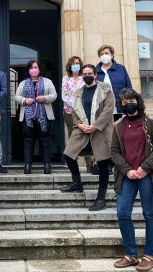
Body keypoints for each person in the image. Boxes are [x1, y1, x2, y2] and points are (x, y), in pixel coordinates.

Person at [112, 88, 153, 272]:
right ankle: (131, 254)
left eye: (131, 100)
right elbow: (114, 152)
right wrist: (127, 171)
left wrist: (144, 168)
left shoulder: (151, 122)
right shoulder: (118, 125)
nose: (128, 104)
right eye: (124, 102)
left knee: (149, 213)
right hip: (127, 176)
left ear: (138, 101)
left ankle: (150, 255)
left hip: (147, 175)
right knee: (122, 213)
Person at [61, 64, 114, 212]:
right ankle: (77, 183)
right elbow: (74, 112)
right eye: (85, 74)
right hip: (83, 128)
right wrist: (80, 125)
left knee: (103, 163)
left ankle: (101, 198)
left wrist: (95, 126)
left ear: (95, 75)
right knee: (68, 154)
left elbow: (108, 110)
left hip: (100, 129)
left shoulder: (105, 89)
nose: (87, 75)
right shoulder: (78, 92)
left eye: (90, 73)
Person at [15, 60, 57, 174]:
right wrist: (24, 100)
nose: (33, 70)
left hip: (45, 115)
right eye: (31, 68)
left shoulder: (47, 82)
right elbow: (17, 97)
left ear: (39, 69)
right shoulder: (23, 83)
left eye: (36, 67)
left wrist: (45, 98)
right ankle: (27, 166)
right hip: (27, 117)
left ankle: (47, 165)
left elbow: (54, 95)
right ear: (28, 70)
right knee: (28, 141)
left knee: (45, 140)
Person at [61, 56, 92, 172]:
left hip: (83, 112)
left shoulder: (84, 79)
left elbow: (87, 94)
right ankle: (73, 165)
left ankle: (89, 164)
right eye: (74, 63)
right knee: (72, 136)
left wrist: (81, 108)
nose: (76, 65)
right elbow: (65, 96)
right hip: (69, 112)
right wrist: (76, 107)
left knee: (86, 136)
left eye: (78, 63)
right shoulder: (66, 79)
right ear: (70, 65)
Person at [96, 44, 132, 121]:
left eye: (106, 53)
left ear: (112, 55)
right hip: (103, 110)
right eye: (101, 54)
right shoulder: (95, 71)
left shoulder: (121, 68)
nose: (104, 55)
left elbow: (128, 87)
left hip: (120, 108)